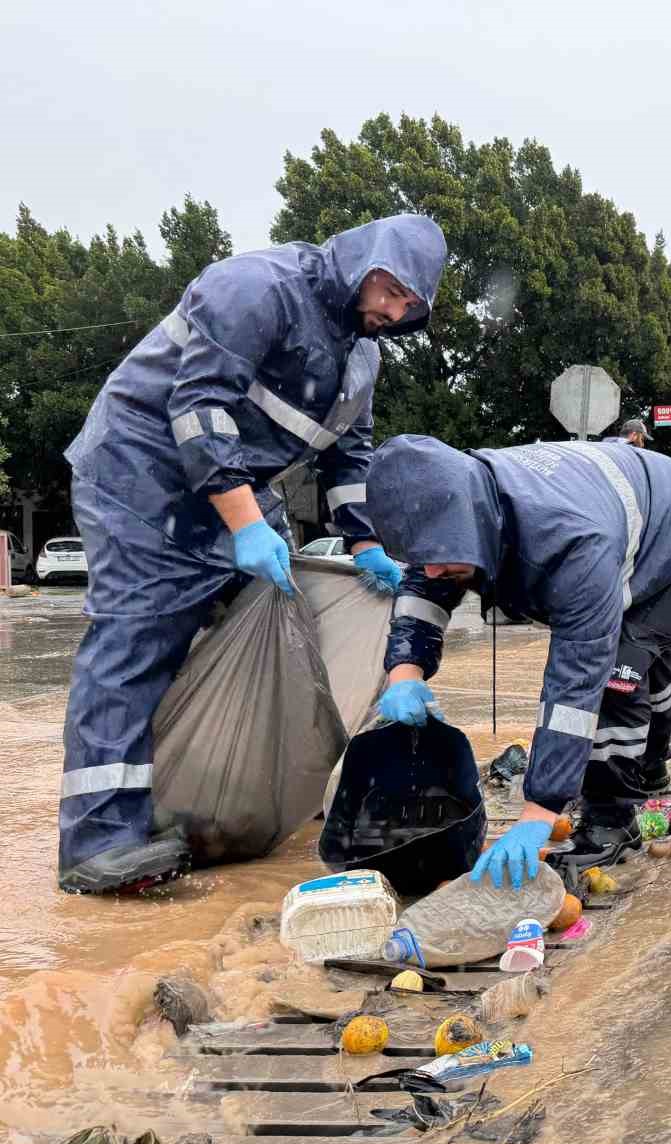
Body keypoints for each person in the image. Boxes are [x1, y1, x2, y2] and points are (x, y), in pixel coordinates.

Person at [58, 214, 448, 895]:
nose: (391, 311)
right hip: (139, 476)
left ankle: (215, 801)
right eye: (389, 291)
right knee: (137, 640)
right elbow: (199, 407)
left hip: (231, 487)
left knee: (279, 631)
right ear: (364, 261)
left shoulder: (362, 356)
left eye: (407, 307)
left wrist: (365, 543)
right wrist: (246, 526)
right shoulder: (257, 287)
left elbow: (349, 455)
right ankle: (96, 843)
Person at [366, 434, 671, 889]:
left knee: (618, 671)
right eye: (419, 558)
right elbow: (422, 592)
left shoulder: (573, 544)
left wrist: (538, 813)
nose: (430, 572)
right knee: (642, 646)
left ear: (475, 523)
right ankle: (650, 769)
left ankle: (612, 818)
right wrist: (405, 673)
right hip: (641, 524)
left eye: (441, 559)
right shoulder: (458, 503)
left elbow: (576, 682)